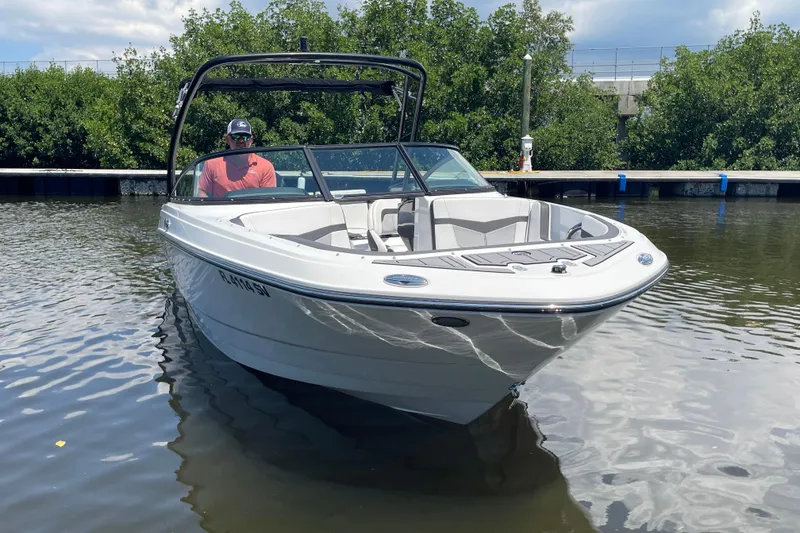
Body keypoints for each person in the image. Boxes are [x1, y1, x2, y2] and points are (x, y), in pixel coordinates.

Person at [197, 118, 276, 197]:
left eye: (245, 137)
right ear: (227, 139)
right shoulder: (211, 164)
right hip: (221, 208)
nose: (241, 141)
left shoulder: (266, 167)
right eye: (236, 136)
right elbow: (202, 192)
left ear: (251, 140)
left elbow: (268, 200)